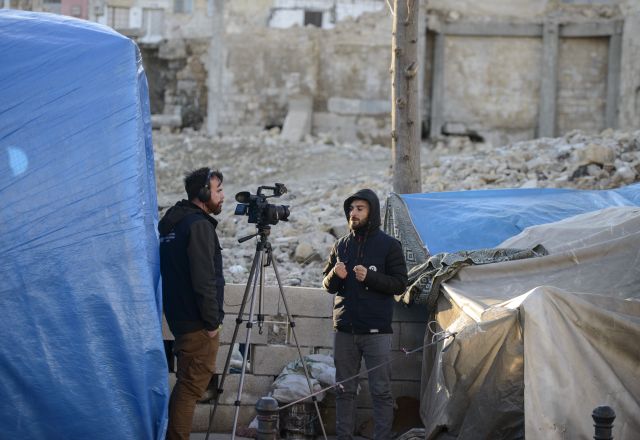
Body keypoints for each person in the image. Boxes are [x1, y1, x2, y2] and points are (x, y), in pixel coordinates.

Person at [322, 188, 408, 440]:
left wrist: (370, 277)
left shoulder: (389, 246)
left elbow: (400, 283)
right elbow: (327, 286)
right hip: (345, 330)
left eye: (360, 209)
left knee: (381, 391)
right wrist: (333, 276)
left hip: (376, 331)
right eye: (351, 209)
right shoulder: (341, 245)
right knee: (343, 390)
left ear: (372, 213)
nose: (353, 213)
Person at [159, 167, 226, 440]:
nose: (223, 196)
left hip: (179, 317)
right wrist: (212, 323)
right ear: (202, 194)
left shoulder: (173, 222)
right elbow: (204, 280)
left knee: (186, 385)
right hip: (198, 322)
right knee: (190, 389)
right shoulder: (198, 225)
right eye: (218, 190)